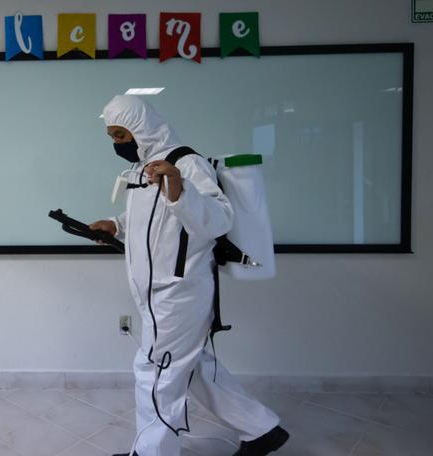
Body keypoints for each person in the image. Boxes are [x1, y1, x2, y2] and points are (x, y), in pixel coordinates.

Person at [89, 95, 289, 456]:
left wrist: (179, 187)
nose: (117, 144)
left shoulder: (186, 163)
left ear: (141, 128)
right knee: (193, 367)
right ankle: (261, 430)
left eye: (121, 135)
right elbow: (150, 222)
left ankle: (152, 453)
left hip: (179, 290)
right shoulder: (141, 167)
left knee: (154, 369)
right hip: (152, 290)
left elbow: (218, 219)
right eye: (112, 137)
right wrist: (114, 225)